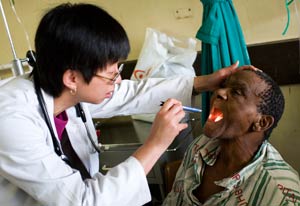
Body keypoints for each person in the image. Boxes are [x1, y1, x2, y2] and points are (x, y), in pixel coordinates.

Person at [0, 3, 248, 206]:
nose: (118, 80)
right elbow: (83, 202)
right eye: (110, 75)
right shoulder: (11, 120)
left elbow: (129, 93)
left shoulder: (64, 90)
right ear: (72, 78)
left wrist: (204, 82)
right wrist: (156, 143)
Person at [163, 69, 300, 206]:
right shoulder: (200, 147)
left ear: (262, 122)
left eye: (236, 92)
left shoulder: (281, 195)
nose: (219, 92)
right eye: (223, 86)